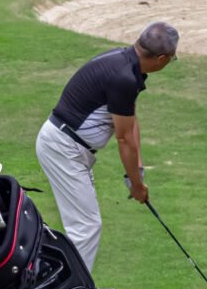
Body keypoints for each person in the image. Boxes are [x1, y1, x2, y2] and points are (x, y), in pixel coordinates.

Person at [35, 21, 179, 271]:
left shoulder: (124, 62)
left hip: (67, 146)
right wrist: (136, 185)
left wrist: (138, 174)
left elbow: (130, 122)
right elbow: (123, 139)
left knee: (84, 224)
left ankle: (69, 287)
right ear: (162, 58)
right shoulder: (123, 78)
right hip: (63, 148)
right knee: (86, 226)